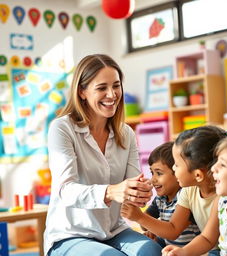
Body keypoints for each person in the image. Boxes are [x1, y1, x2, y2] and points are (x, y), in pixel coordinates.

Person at [44, 54, 163, 256]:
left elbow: (131, 186)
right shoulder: (62, 128)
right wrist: (111, 191)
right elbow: (66, 190)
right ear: (82, 92)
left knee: (152, 251)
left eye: (116, 86)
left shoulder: (126, 133)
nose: (112, 94)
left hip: (113, 230)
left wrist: (140, 192)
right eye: (101, 88)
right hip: (70, 235)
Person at [121, 125, 227, 256]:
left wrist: (139, 217)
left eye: (176, 165)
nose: (174, 169)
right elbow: (175, 228)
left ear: (198, 175)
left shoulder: (222, 196)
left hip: (219, 249)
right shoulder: (188, 191)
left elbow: (175, 230)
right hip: (203, 246)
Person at [162, 130, 227, 256]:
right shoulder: (222, 202)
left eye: (222, 164)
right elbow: (207, 238)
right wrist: (184, 251)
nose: (213, 168)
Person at [125, 141, 200, 247]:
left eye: (159, 173)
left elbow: (172, 231)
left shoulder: (186, 195)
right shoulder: (161, 199)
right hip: (170, 248)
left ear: (177, 172)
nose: (152, 179)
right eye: (152, 173)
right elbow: (145, 226)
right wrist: (151, 227)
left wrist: (139, 217)